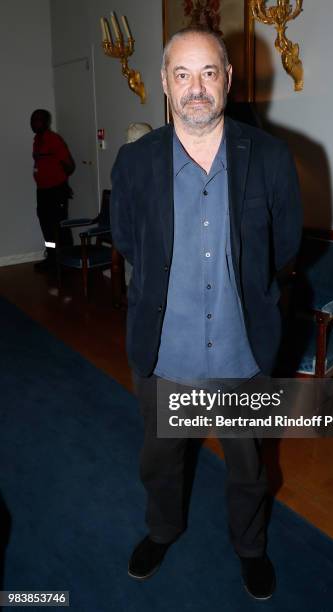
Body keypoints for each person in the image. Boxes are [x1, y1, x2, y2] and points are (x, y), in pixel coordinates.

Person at [110, 27, 302, 600]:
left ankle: (251, 548)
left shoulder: (269, 156)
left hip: (243, 358)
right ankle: (162, 530)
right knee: (160, 463)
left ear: (229, 79)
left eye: (209, 73)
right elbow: (126, 240)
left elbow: (286, 246)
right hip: (167, 359)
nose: (197, 89)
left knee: (249, 470)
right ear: (166, 85)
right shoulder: (135, 162)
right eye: (182, 75)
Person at [31, 109, 75, 270]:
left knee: (59, 226)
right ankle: (52, 257)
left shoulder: (53, 140)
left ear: (47, 122)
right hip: (42, 191)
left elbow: (69, 166)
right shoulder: (37, 140)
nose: (34, 123)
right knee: (46, 227)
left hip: (56, 191)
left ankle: (66, 261)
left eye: (39, 120)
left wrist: (59, 181)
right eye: (33, 120)